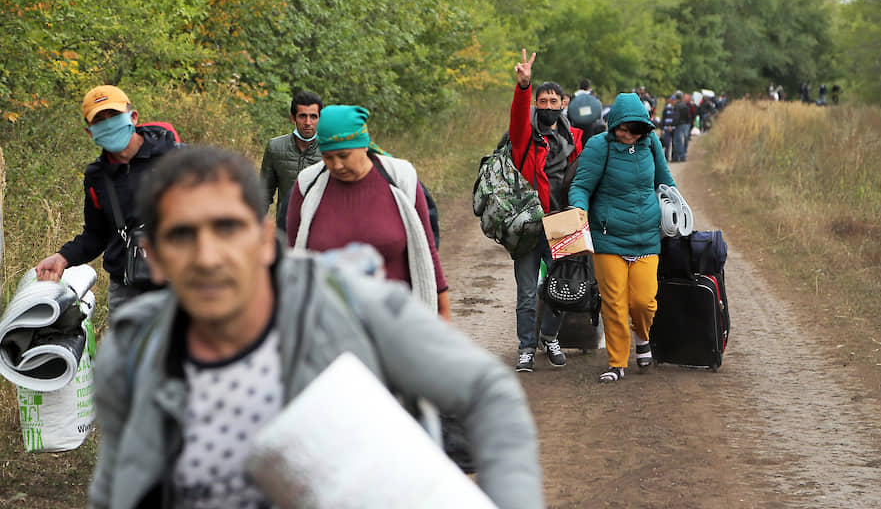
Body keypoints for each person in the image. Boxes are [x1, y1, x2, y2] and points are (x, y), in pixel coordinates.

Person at [89, 146, 542, 508]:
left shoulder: (349, 305)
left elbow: (486, 391)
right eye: (182, 235)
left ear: (266, 241)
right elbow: (113, 486)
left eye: (227, 228)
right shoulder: (133, 351)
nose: (208, 256)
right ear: (157, 257)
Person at [286, 105, 449, 319]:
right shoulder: (308, 184)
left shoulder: (400, 178)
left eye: (344, 155)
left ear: (363, 146)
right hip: (328, 325)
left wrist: (443, 310)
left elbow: (427, 247)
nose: (336, 165)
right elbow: (292, 258)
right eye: (328, 157)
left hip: (396, 323)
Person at [33, 85, 182, 310]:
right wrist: (63, 258)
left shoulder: (178, 157)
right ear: (90, 132)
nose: (108, 123)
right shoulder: (97, 177)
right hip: (127, 292)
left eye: (114, 115)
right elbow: (96, 235)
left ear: (132, 117)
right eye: (99, 120)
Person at [568, 93, 677, 382]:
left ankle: (642, 336)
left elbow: (665, 182)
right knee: (614, 302)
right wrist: (579, 209)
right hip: (608, 238)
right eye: (622, 128)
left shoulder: (651, 143)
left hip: (646, 238)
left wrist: (677, 210)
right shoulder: (598, 147)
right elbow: (581, 185)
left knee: (644, 301)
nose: (627, 135)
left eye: (634, 130)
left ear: (644, 129)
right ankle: (617, 363)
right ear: (612, 124)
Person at [509, 49, 584, 372]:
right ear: (536, 105)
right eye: (543, 102)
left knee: (562, 287)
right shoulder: (524, 136)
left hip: (563, 224)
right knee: (527, 292)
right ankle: (526, 346)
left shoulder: (576, 138)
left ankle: (550, 337)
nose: (549, 107)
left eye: (555, 102)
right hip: (529, 224)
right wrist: (524, 87)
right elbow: (517, 115)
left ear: (563, 104)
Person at [260, 90, 323, 225]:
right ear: (293, 118)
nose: (308, 122)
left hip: (320, 228)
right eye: (302, 116)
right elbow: (263, 193)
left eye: (313, 116)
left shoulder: (329, 150)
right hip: (286, 227)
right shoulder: (275, 147)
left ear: (320, 118)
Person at [671, 91, 690, 162]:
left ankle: (680, 156)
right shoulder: (685, 105)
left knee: (677, 141)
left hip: (679, 124)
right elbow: (688, 115)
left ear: (676, 97)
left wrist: (673, 124)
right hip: (686, 124)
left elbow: (676, 116)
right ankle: (681, 155)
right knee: (684, 139)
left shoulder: (677, 106)